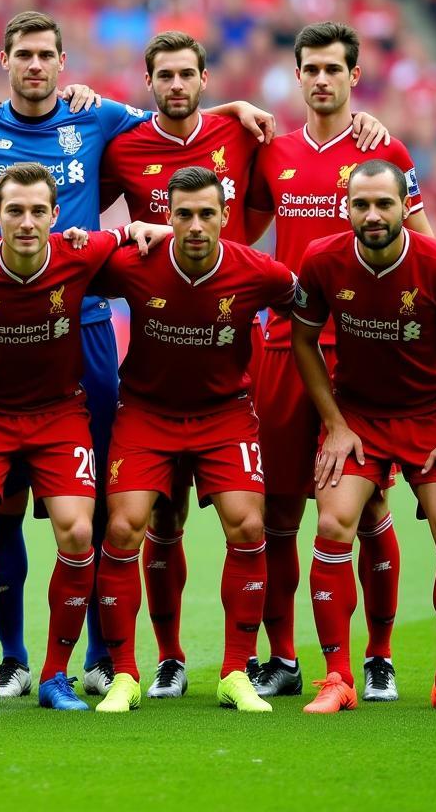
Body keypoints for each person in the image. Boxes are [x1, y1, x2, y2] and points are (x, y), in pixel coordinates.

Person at [0, 10, 273, 698]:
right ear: (5, 59)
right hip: (1, 332)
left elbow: (172, 114)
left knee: (87, 511)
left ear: (63, 63)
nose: (35, 66)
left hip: (84, 328)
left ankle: (96, 656)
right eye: (24, 55)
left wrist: (232, 107)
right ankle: (11, 657)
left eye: (46, 56)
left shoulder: (100, 116)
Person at [97, 29, 387, 700]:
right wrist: (115, 233)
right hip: (149, 401)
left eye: (187, 74)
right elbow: (73, 255)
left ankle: (274, 664)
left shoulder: (259, 251)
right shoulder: (129, 186)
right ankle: (147, 665)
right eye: (163, 74)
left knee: (298, 518)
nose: (176, 84)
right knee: (139, 524)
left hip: (243, 392)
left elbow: (317, 289)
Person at [0, 162, 171, 711]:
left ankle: (56, 675)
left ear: (56, 216)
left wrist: (154, 228)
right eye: (14, 211)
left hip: (58, 416)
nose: (26, 222)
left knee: (78, 533)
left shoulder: (80, 251)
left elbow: (132, 234)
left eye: (37, 212)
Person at [245, 21, 433, 702]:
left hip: (360, 350)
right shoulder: (274, 152)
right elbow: (240, 232)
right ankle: (286, 656)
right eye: (311, 68)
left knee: (368, 501)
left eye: (334, 68)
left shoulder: (385, 150)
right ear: (297, 77)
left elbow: (427, 247)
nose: (321, 79)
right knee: (278, 511)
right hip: (283, 345)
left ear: (355, 76)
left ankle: (378, 657)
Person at [93, 166, 297, 714]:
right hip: (146, 412)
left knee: (249, 524)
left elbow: (306, 305)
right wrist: (116, 232)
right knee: (124, 525)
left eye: (208, 213)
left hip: (224, 415)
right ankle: (131, 673)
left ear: (225, 217)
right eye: (183, 214)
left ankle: (236, 670)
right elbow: (71, 268)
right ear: (168, 217)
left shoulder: (257, 271)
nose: (196, 225)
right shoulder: (137, 264)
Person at [292, 159, 436, 713]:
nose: (373, 214)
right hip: (357, 417)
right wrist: (333, 423)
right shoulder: (322, 260)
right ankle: (337, 678)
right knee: (333, 521)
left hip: (428, 415)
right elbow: (303, 341)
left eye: (384, 203)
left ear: (407, 205)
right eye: (362, 204)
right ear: (346, 208)